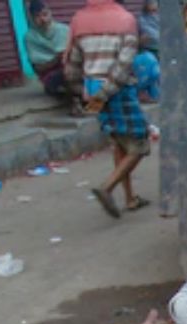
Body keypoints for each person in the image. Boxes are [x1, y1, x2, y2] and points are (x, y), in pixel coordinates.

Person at [65, 0, 152, 218]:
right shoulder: (125, 20)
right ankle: (107, 187)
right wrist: (105, 92)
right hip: (117, 89)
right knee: (140, 145)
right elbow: (123, 66)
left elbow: (72, 65)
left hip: (92, 86)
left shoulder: (79, 20)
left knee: (119, 142)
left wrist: (87, 94)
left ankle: (130, 198)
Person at [24, 1, 73, 101]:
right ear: (32, 19)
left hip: (72, 69)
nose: (43, 19)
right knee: (65, 78)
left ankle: (92, 105)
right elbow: (38, 69)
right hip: (51, 75)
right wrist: (57, 59)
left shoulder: (64, 30)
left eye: (45, 14)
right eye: (38, 16)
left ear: (51, 13)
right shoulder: (30, 38)